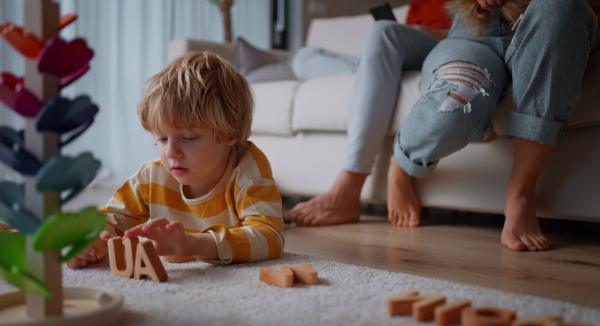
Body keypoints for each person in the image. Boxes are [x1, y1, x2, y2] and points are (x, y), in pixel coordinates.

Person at [287, 0, 600, 252]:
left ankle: (520, 194)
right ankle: (401, 164)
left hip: (556, 19)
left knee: (560, 6)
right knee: (457, 99)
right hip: (473, 31)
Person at [67, 52, 285, 268]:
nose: (171, 153)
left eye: (189, 138)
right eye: (161, 138)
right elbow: (111, 217)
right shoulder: (152, 176)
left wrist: (195, 244)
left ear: (230, 134)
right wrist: (93, 240)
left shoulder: (247, 170)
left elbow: (270, 237)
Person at [284, 0, 452, 227]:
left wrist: (436, 33)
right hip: (404, 48)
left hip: (443, 47)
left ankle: (348, 189)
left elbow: (490, 31)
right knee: (304, 57)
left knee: (382, 32)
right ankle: (377, 70)